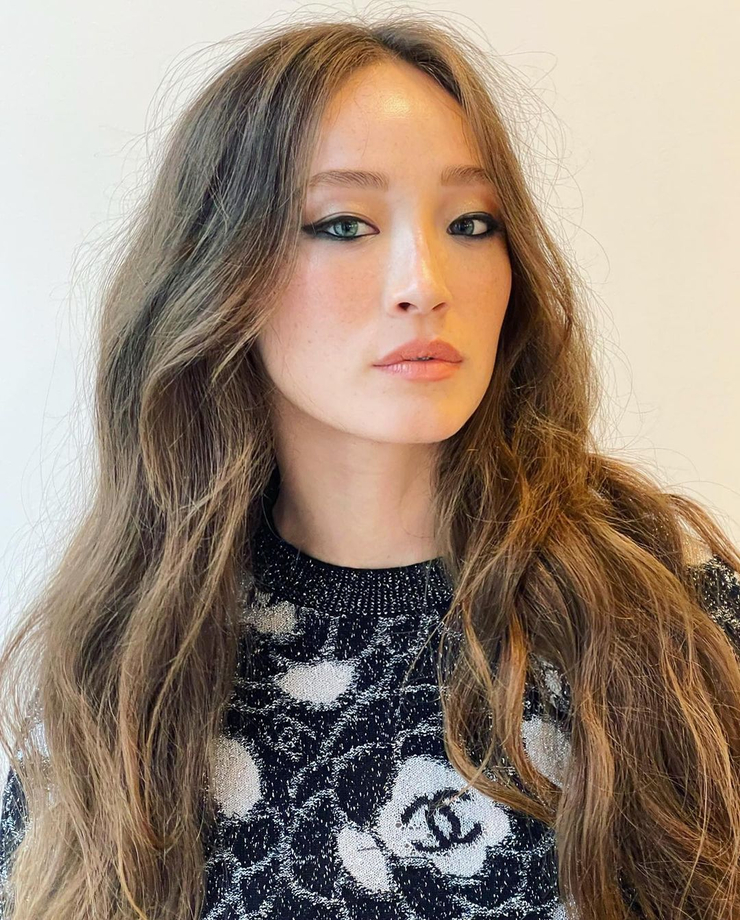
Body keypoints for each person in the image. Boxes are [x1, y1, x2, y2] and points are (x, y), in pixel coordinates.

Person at [1, 13, 740, 920]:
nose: (425, 281)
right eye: (344, 224)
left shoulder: (670, 618)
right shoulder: (120, 676)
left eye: (471, 223)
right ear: (216, 274)